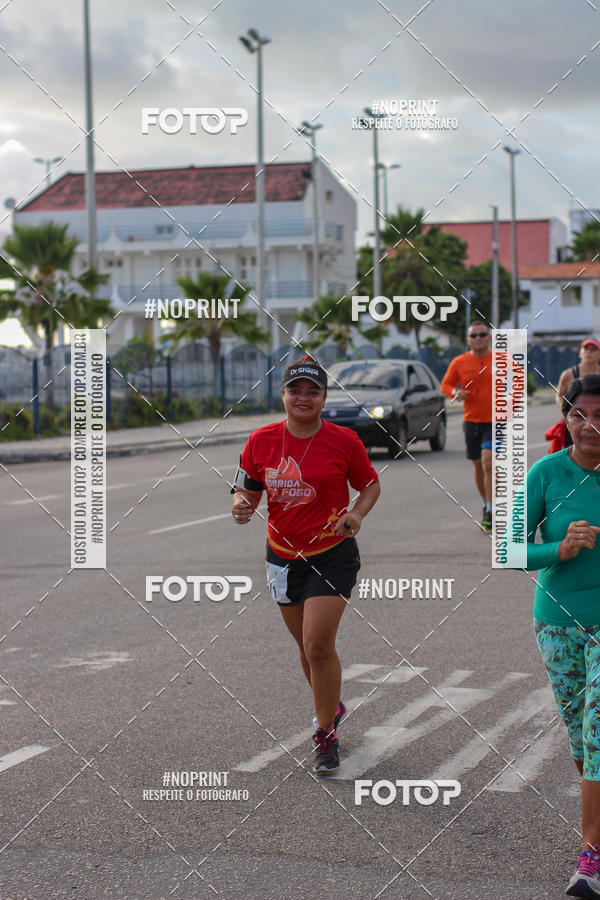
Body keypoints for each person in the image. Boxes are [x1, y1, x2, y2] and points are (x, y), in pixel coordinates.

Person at [230, 356, 381, 775]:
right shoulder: (261, 440)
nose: (303, 397)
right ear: (283, 394)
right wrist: (241, 507)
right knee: (305, 648)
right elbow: (247, 490)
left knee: (317, 644)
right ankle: (331, 705)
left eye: (312, 391)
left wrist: (357, 514)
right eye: (295, 389)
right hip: (281, 556)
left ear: (323, 398)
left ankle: (325, 732)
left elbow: (369, 484)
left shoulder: (344, 440)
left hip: (332, 554)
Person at [519, 374, 600, 897]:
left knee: (598, 733)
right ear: (565, 419)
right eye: (580, 415)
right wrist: (559, 551)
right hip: (557, 624)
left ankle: (590, 855)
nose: (591, 426)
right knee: (581, 740)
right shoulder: (546, 472)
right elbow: (508, 549)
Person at [440, 322, 493, 532]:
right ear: (468, 340)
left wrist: (512, 399)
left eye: (482, 334)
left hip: (495, 420)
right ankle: (485, 502)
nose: (478, 338)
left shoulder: (501, 359)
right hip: (471, 421)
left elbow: (516, 380)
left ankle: (491, 510)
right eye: (474, 335)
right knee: (478, 466)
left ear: (489, 337)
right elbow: (445, 385)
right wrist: (455, 393)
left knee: (489, 462)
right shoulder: (459, 362)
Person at [556, 338, 600, 448]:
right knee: (574, 453)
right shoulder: (568, 375)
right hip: (576, 423)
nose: (589, 352)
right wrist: (566, 411)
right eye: (586, 349)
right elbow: (560, 395)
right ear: (580, 353)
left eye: (593, 349)